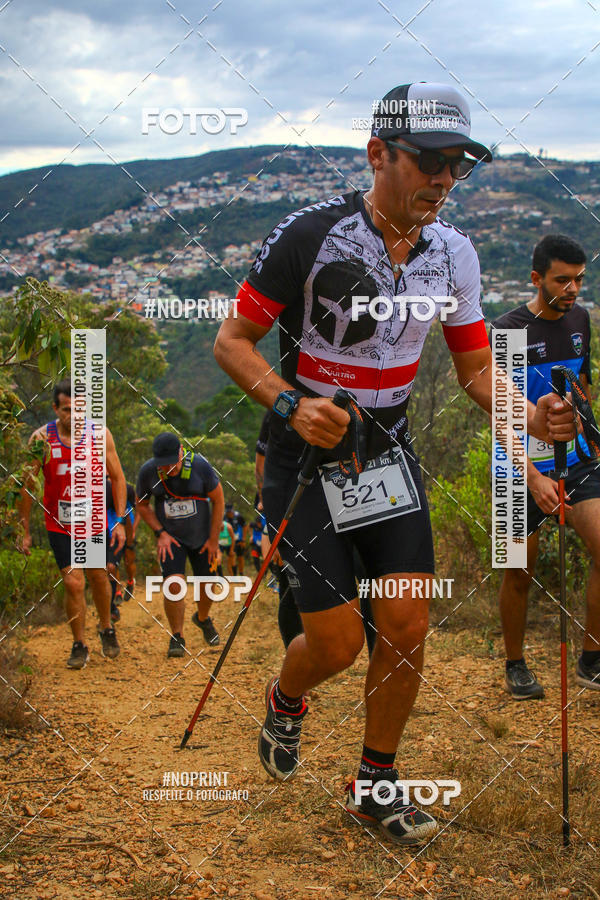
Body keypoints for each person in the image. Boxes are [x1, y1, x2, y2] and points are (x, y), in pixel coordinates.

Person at [214, 81, 575, 845]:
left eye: (459, 166)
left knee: (407, 622)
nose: (445, 179)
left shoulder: (455, 254)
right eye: (430, 161)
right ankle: (286, 695)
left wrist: (533, 420)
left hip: (387, 454)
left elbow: (478, 373)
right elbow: (231, 342)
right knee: (339, 645)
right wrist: (288, 404)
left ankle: (376, 781)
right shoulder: (310, 235)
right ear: (379, 153)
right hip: (303, 455)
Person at [491, 234, 600, 699]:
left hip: (576, 461)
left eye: (579, 279)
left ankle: (591, 659)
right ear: (537, 279)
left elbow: (584, 386)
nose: (573, 288)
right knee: (518, 572)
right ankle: (515, 664)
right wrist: (531, 478)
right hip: (517, 468)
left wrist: (591, 436)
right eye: (562, 280)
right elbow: (499, 413)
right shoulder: (510, 330)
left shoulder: (581, 319)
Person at [18, 379, 127, 668]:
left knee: (98, 576)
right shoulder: (41, 439)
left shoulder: (100, 436)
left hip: (92, 523)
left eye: (79, 409)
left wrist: (118, 521)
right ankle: (79, 644)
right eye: (67, 409)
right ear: (55, 408)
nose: (73, 415)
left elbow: (117, 477)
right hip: (60, 524)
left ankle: (106, 627)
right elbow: (27, 486)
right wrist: (24, 529)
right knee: (73, 582)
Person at [136, 432, 224, 657]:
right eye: (163, 466)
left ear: (181, 452)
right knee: (173, 585)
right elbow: (142, 505)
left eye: (172, 464)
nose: (168, 470)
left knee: (208, 584)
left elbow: (218, 499)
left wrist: (214, 540)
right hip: (172, 538)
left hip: (202, 538)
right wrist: (160, 533)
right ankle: (177, 636)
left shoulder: (200, 466)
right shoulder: (148, 471)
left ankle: (202, 619)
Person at [106, 478, 138, 620]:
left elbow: (139, 509)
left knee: (128, 561)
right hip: (109, 533)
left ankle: (131, 581)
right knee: (112, 566)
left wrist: (132, 534)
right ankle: (117, 592)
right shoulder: (98, 489)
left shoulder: (128, 489)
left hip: (126, 530)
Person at [225, 503, 248, 575]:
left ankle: (241, 573)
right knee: (232, 557)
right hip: (230, 541)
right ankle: (234, 575)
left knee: (240, 557)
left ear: (233, 510)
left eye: (230, 511)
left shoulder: (238, 516)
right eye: (228, 512)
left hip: (239, 540)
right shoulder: (224, 518)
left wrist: (243, 539)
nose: (229, 513)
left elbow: (244, 527)